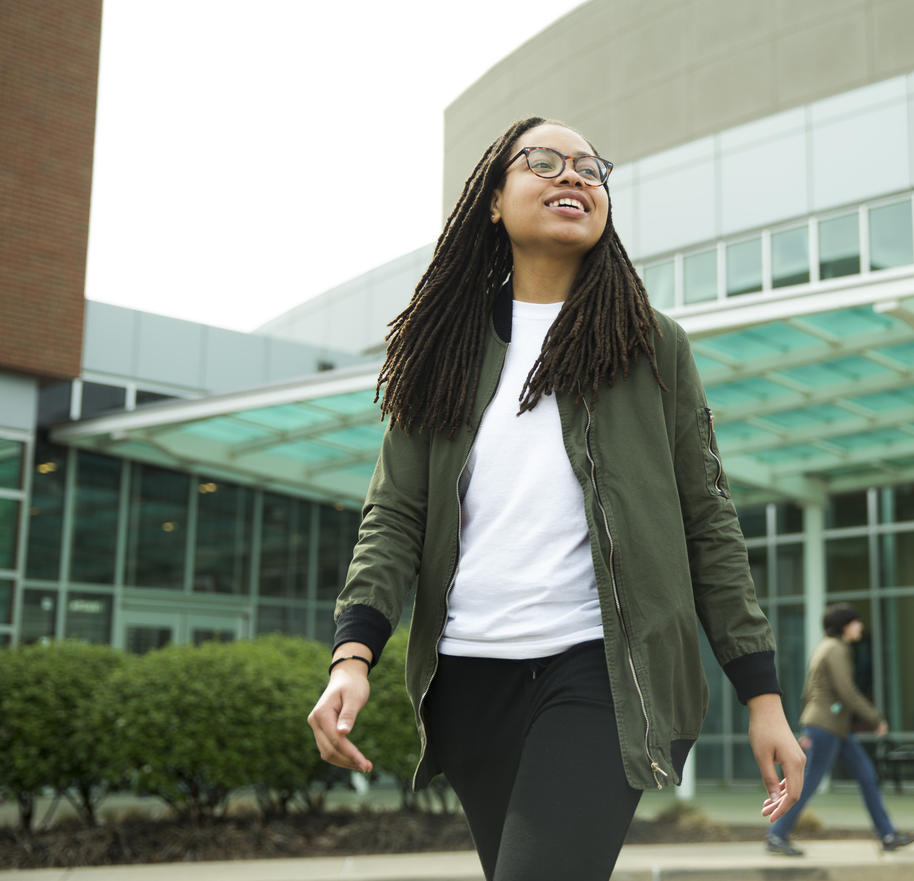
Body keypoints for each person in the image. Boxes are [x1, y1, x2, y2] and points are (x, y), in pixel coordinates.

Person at [306, 117, 805, 881]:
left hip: (604, 675)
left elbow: (708, 519)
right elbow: (396, 514)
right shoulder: (445, 347)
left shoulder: (650, 345)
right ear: (495, 201)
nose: (573, 176)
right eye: (544, 162)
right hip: (468, 683)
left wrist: (761, 693)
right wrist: (353, 655)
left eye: (591, 168)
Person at [765, 602, 914, 856]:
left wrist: (809, 724)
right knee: (808, 782)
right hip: (826, 728)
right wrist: (876, 718)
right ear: (846, 625)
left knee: (868, 777)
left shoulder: (825, 647)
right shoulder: (835, 649)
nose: (860, 626)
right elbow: (846, 691)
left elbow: (808, 693)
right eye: (856, 621)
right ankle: (776, 835)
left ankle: (888, 834)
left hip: (832, 728)